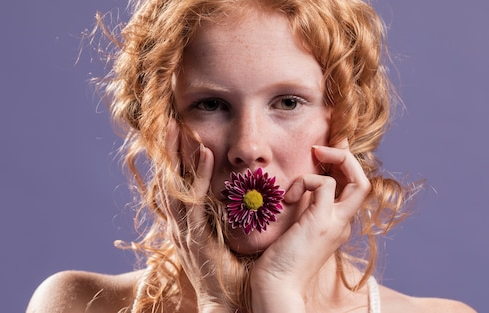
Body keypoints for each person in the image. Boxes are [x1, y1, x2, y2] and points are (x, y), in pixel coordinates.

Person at [27, 0, 476, 312]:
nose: (247, 148)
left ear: (343, 120)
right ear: (161, 125)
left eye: (287, 103)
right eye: (210, 105)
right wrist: (215, 304)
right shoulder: (76, 305)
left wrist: (277, 295)